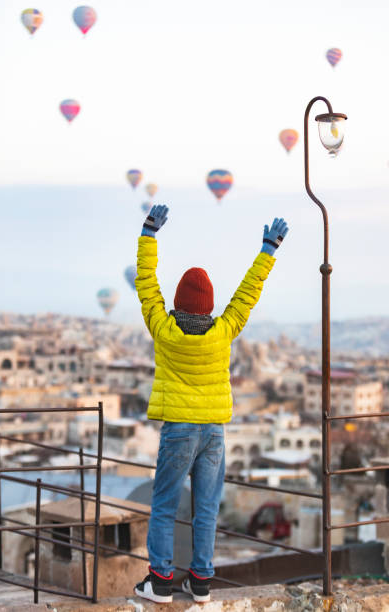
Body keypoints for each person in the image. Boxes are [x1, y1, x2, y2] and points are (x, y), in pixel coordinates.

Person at [134, 205, 289, 603]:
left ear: (179, 303)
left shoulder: (164, 329)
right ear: (208, 306)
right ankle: (201, 582)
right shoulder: (223, 332)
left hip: (179, 429)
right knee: (206, 508)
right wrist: (268, 250)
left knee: (165, 504)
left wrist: (148, 236)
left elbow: (146, 285)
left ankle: (160, 580)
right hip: (214, 431)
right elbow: (246, 296)